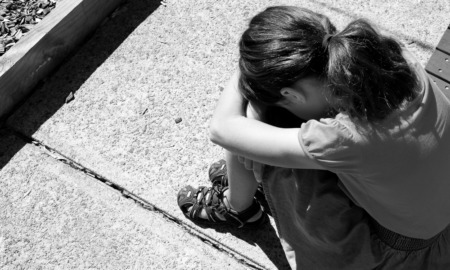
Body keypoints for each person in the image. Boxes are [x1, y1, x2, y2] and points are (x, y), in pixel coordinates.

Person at [177, 6, 450, 269]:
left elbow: (223, 130)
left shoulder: (345, 138)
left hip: (405, 250)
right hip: (432, 214)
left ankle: (237, 207)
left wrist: (250, 74)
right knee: (257, 124)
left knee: (266, 142)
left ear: (291, 95)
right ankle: (240, 199)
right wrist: (266, 68)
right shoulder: (391, 58)